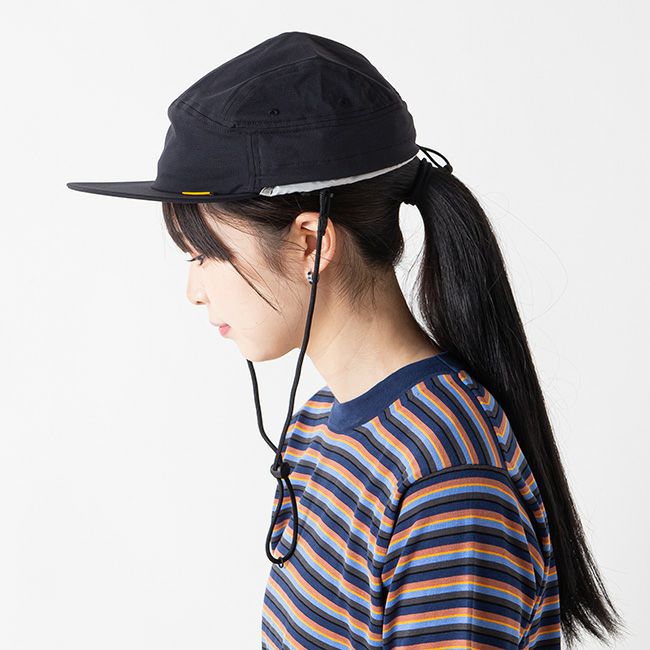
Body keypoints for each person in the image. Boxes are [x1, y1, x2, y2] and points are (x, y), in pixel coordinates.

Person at [67, 31, 625, 649]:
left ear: (311, 242)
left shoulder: (444, 484)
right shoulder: (315, 428)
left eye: (205, 255)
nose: (193, 292)